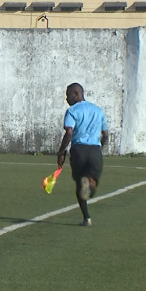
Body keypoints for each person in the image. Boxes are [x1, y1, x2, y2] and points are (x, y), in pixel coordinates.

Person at [56, 83, 108, 227]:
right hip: (95, 150)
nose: (67, 99)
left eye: (68, 95)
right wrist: (99, 148)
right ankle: (90, 183)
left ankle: (87, 218)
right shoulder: (98, 110)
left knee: (79, 185)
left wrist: (61, 152)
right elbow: (105, 134)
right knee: (92, 181)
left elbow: (69, 133)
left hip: (79, 150)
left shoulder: (72, 111)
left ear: (77, 94)